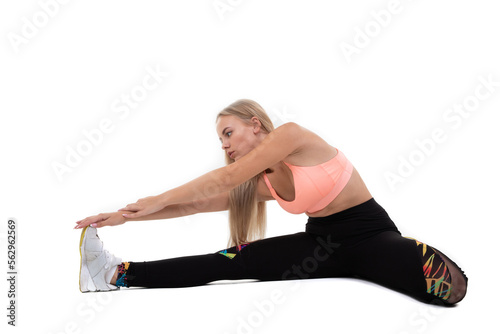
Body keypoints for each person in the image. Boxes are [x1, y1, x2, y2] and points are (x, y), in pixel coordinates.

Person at [75, 99, 468, 305]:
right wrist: (125, 217)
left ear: (255, 125)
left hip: (371, 236)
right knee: (229, 262)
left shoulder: (294, 136)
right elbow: (195, 205)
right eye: (221, 141)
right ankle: (114, 275)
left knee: (453, 289)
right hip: (320, 246)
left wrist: (156, 197)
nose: (225, 147)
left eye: (228, 134)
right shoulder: (263, 183)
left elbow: (226, 177)